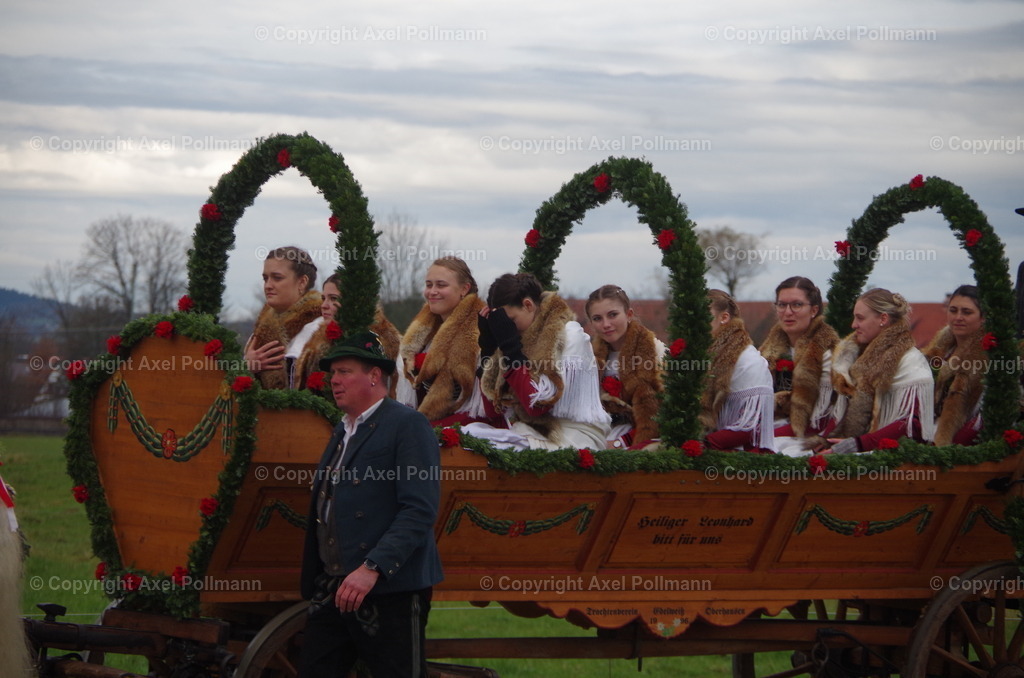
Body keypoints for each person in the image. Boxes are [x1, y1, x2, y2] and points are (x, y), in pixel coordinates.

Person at [299, 331, 442, 678]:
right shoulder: (343, 430)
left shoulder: (407, 424)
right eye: (333, 373)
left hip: (389, 589)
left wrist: (372, 568)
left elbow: (419, 509)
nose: (334, 380)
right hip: (334, 586)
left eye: (344, 372)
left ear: (374, 376)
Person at [469, 272, 611, 450]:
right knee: (470, 433)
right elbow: (493, 413)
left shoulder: (569, 336)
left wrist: (511, 349)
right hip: (532, 432)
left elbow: (538, 406)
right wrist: (489, 349)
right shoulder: (520, 339)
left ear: (528, 305)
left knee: (487, 446)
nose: (507, 329)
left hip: (573, 436)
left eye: (511, 320)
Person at [819, 288, 935, 453]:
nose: (853, 325)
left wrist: (857, 445)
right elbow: (840, 414)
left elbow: (911, 425)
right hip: (858, 450)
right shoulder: (852, 356)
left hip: (893, 456)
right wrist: (825, 442)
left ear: (883, 319)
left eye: (860, 318)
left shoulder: (911, 361)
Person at [397, 257, 489, 426]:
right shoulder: (424, 333)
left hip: (471, 428)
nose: (432, 292)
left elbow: (482, 409)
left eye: (441, 285)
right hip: (427, 425)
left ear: (464, 289)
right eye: (428, 285)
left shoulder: (481, 330)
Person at [758, 277, 839, 448]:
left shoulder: (826, 353)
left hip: (805, 435)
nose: (788, 312)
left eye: (797, 305)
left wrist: (761, 434)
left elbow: (821, 419)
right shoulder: (767, 350)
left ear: (813, 310)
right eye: (782, 305)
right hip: (765, 426)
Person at [294, 274, 402, 396]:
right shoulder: (317, 336)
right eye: (323, 298)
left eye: (333, 299)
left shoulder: (379, 340)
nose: (324, 305)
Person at [586, 284, 665, 449]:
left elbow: (664, 413)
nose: (606, 324)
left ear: (629, 315)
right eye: (597, 318)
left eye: (612, 315)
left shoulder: (655, 351)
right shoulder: (590, 356)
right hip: (600, 432)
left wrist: (620, 442)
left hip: (642, 439)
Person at [700, 290, 776, 452]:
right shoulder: (704, 353)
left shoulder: (748, 359)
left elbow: (751, 426)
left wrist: (705, 443)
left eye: (704, 316)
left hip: (744, 452)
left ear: (724, 317)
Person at [244, 246, 322, 389]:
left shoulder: (319, 327)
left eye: (277, 278)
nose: (268, 286)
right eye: (265, 278)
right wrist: (246, 368)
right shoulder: (260, 329)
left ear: (302, 282)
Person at [922, 284, 986, 446]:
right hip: (924, 435)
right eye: (953, 310)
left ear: (983, 317)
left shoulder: (989, 356)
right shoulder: (939, 351)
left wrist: (948, 449)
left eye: (967, 312)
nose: (958, 317)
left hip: (961, 446)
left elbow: (984, 416)